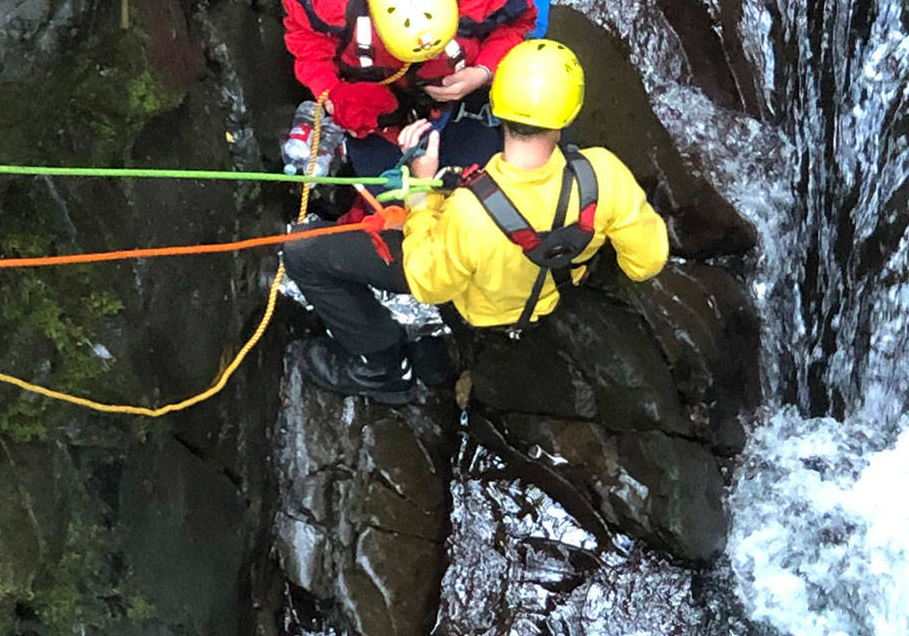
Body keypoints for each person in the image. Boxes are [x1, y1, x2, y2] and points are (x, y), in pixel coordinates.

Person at [282, 38, 670, 403]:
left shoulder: (469, 210)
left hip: (477, 309)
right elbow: (645, 264)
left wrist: (422, 194)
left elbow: (427, 282)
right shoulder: (605, 173)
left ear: (497, 105)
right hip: (550, 293)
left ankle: (382, 371)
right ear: (568, 114)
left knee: (302, 252)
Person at [281, 0, 538, 176]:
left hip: (459, 93)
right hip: (377, 95)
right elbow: (304, 35)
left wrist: (483, 71)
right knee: (377, 175)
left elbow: (521, 23)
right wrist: (331, 90)